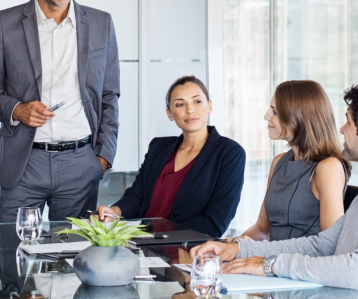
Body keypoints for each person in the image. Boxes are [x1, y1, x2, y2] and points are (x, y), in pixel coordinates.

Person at [190, 80, 358, 299]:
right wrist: (239, 250)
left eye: (348, 122)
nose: (342, 129)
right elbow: (321, 244)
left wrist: (271, 265)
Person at [0, 0, 120, 223]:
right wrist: (18, 110)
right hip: (24, 161)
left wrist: (103, 157)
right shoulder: (5, 24)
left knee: (71, 258)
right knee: (10, 254)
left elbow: (109, 95)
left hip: (80, 162)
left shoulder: (101, 23)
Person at [95, 76, 245, 237]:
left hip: (185, 250)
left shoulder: (229, 153)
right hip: (138, 244)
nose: (190, 110)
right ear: (170, 114)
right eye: (180, 104)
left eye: (197, 101)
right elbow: (137, 195)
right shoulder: (159, 147)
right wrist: (114, 212)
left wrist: (157, 236)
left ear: (209, 106)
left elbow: (215, 221)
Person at [238, 80, 349, 241]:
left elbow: (329, 243)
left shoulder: (328, 167)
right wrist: (231, 245)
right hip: (269, 260)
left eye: (275, 112)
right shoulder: (279, 162)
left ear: (300, 117)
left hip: (297, 264)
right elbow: (262, 230)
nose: (266, 116)